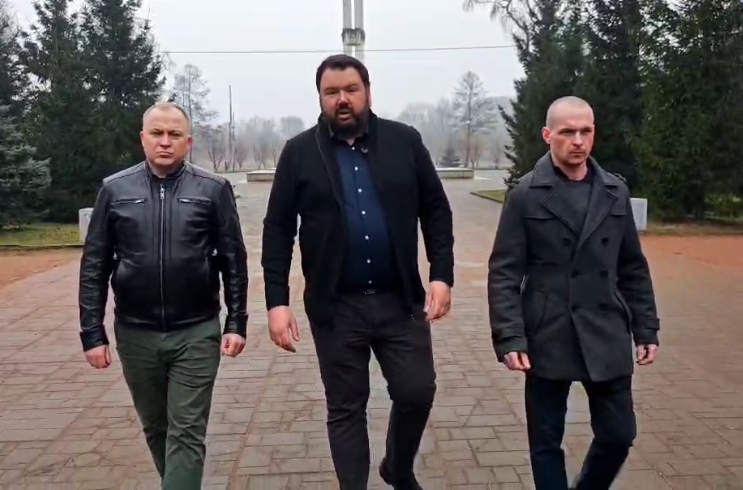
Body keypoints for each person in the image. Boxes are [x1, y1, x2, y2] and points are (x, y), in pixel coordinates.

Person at [261, 54, 454, 490]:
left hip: (399, 299)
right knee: (346, 407)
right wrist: (277, 303)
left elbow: (436, 210)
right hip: (336, 306)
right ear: (320, 98)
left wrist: (442, 274)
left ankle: (397, 468)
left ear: (367, 91)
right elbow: (277, 230)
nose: (342, 99)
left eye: (351, 89)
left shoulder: (405, 142)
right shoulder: (299, 153)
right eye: (331, 92)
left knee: (416, 391)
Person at [486, 96, 660, 490]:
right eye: (568, 132)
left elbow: (632, 266)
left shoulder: (615, 190)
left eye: (586, 131)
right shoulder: (526, 194)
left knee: (619, 434)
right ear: (548, 135)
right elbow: (504, 272)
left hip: (606, 327)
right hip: (548, 330)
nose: (578, 141)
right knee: (546, 443)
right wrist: (509, 335)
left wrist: (646, 327)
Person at [78, 100, 249, 490]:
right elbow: (95, 265)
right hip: (136, 333)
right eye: (157, 133)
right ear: (143, 138)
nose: (165, 141)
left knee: (186, 430)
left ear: (188, 141)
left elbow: (233, 260)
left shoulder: (213, 189)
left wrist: (236, 322)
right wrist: (92, 331)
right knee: (157, 427)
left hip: (196, 331)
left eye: (174, 134)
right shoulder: (115, 190)